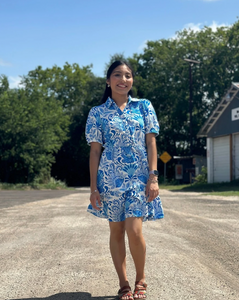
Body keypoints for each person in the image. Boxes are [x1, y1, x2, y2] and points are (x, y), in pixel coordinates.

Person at [85, 60, 164, 300]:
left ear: (132, 81)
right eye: (118, 75)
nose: (123, 79)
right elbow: (95, 152)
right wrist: (94, 188)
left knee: (134, 229)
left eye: (128, 75)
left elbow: (151, 143)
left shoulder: (144, 107)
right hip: (110, 179)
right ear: (108, 81)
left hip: (139, 178)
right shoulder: (97, 113)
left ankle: (141, 279)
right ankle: (124, 284)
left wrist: (153, 177)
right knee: (116, 231)